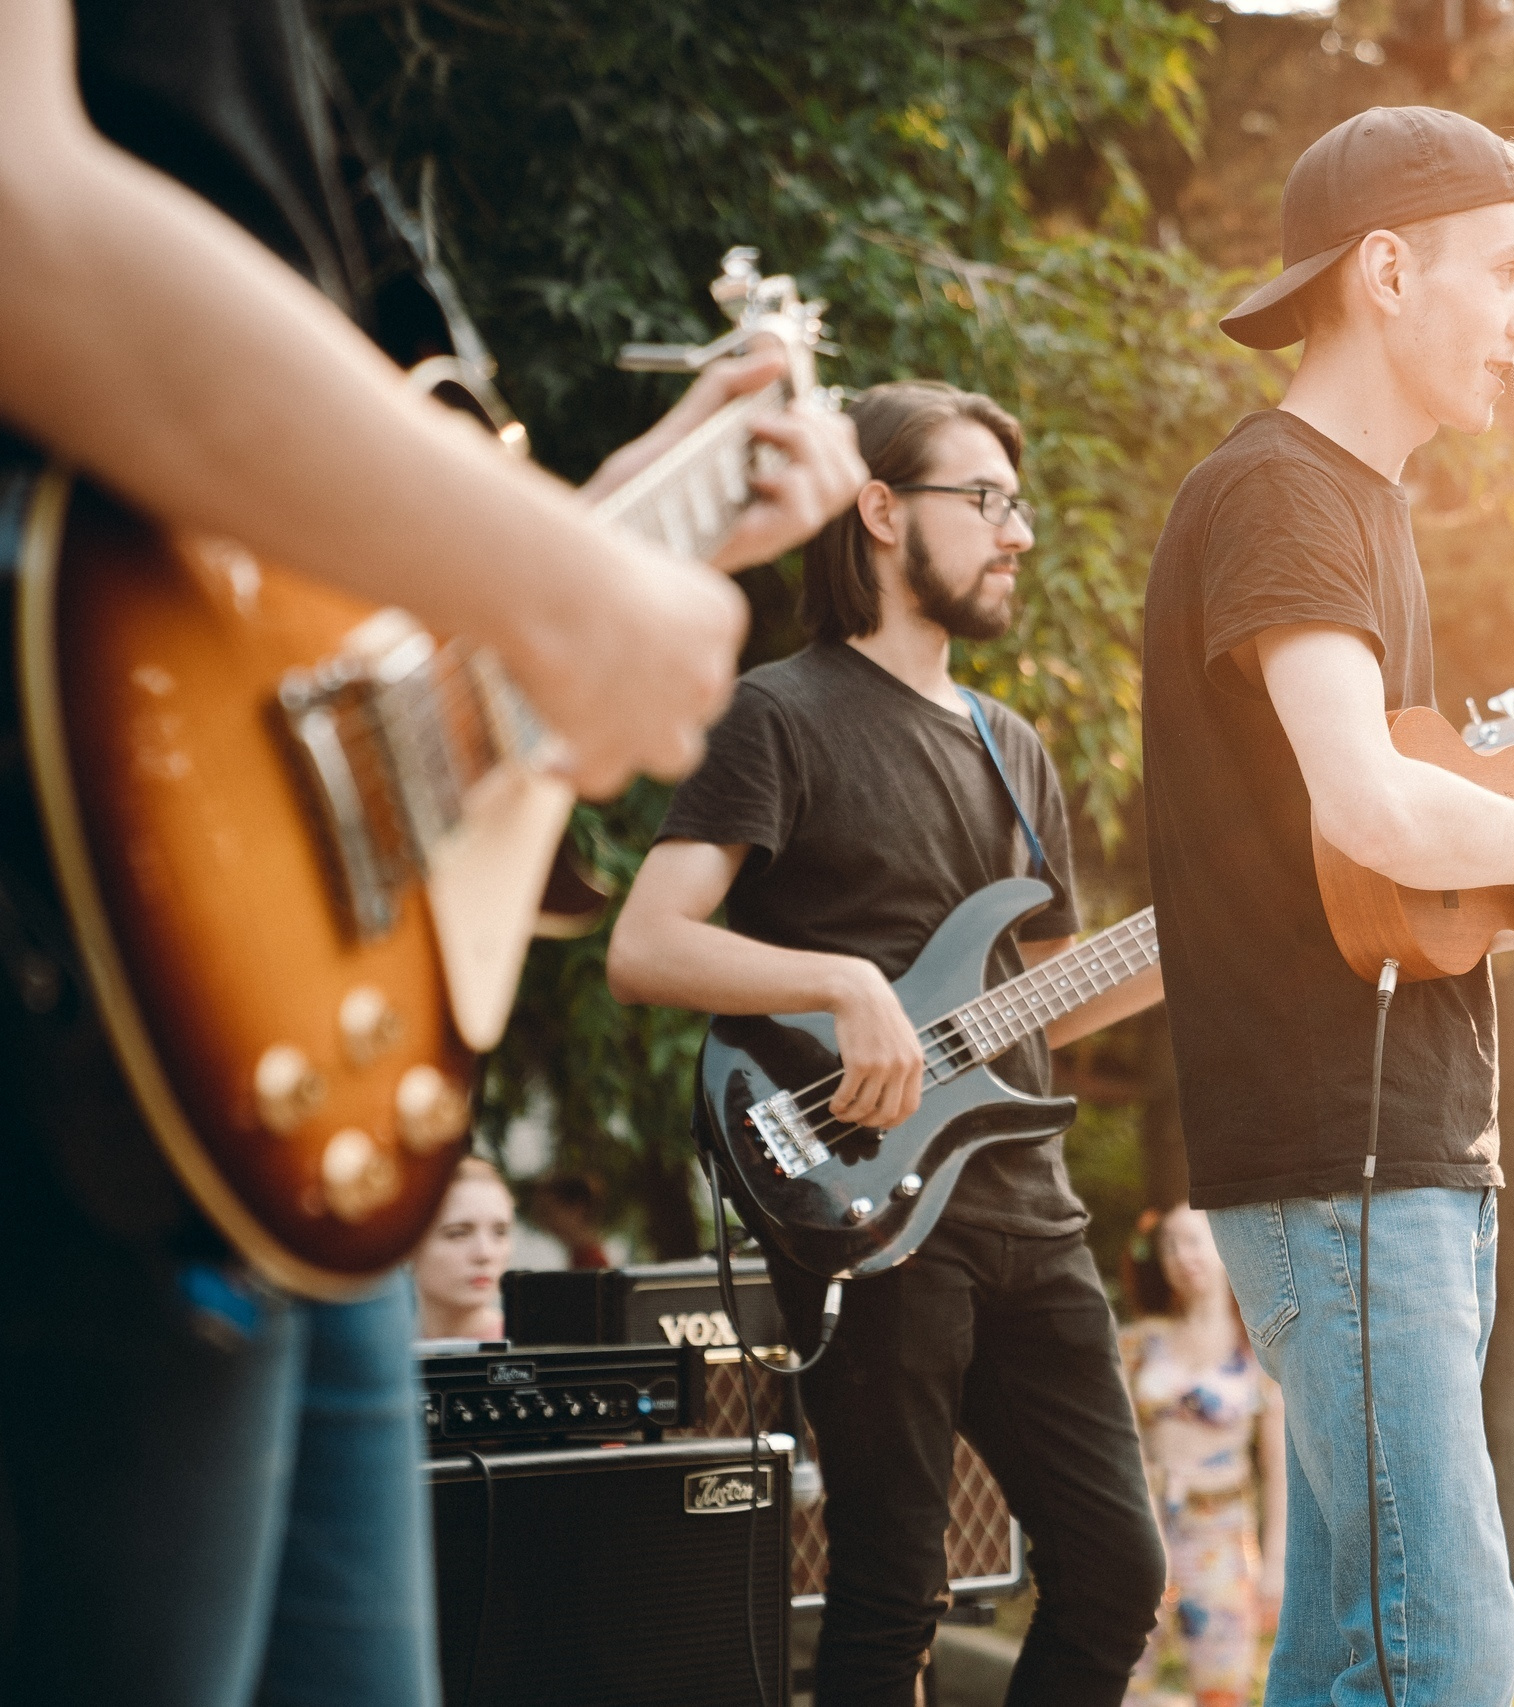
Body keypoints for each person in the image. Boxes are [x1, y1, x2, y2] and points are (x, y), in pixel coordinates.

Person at [0, 1, 866, 1697]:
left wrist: (623, 521)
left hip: (282, 1061)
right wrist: (565, 588)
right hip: (85, 975)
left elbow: (316, 585)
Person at [1139, 105, 1514, 1707]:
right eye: (1509, 270)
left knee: (1356, 1645)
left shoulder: (1358, 502)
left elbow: (1357, 866)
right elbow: (1362, 802)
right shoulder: (1283, 495)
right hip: (1342, 1161)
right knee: (1448, 1642)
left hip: (1384, 1160)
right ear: (1385, 271)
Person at [607, 378, 1168, 1707]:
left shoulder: (1013, 746)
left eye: (1018, 505)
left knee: (1114, 1575)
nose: (1018, 532)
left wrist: (1205, 946)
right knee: (890, 1592)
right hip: (865, 1200)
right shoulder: (778, 712)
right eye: (986, 500)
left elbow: (1042, 1000)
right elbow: (646, 944)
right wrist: (843, 982)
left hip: (1032, 1215)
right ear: (878, 510)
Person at [1120, 1205, 1288, 1707]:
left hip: (1222, 1533)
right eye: (1169, 1244)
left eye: (1194, 1240)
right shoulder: (1138, 1343)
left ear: (1224, 1246)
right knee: (1121, 1681)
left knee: (1222, 1690)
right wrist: (1149, 1531)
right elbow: (1124, 1447)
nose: (1181, 1255)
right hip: (1141, 1528)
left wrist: (1276, 1562)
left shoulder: (1258, 1349)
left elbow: (1278, 1468)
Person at [414, 1157, 515, 1342]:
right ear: (409, 1246)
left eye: (500, 1232)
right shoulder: (372, 1347)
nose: (485, 1254)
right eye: (458, 1233)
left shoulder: (535, 1346)